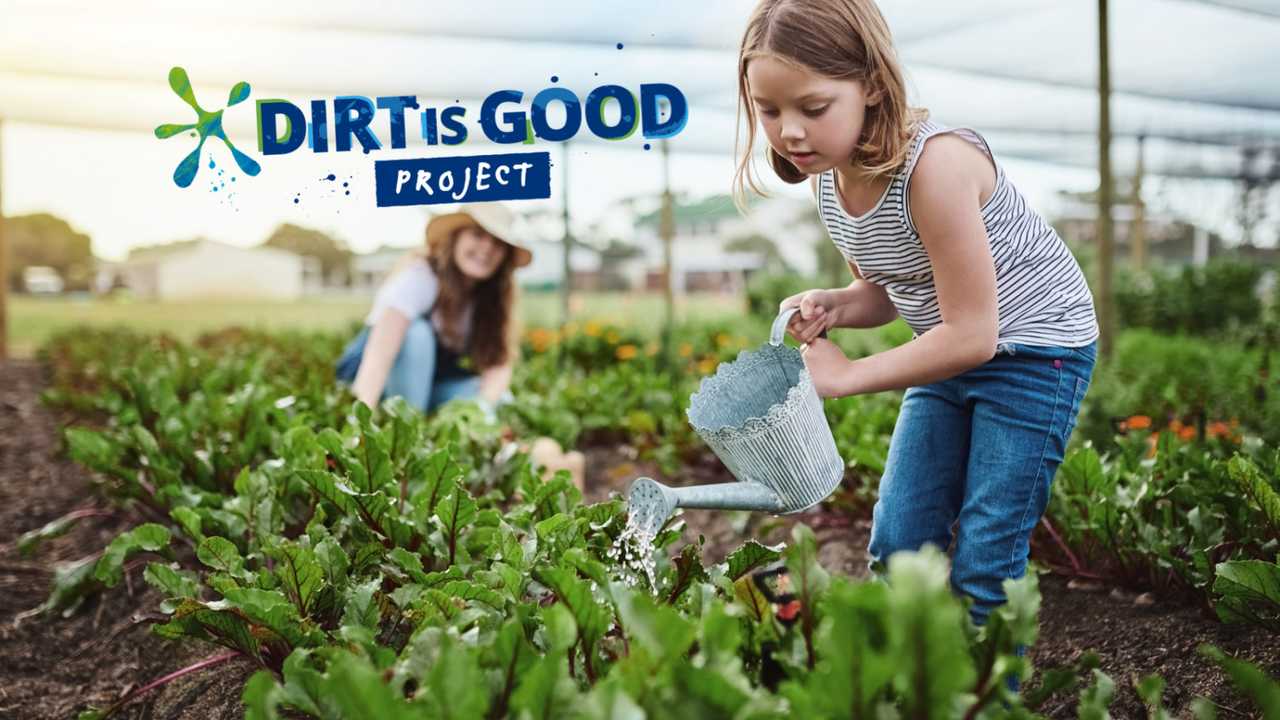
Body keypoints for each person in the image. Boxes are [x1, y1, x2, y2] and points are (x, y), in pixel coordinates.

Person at [732, 0, 1099, 690]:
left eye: (812, 106)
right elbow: (894, 288)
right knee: (900, 544)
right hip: (952, 350)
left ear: (872, 83)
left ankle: (989, 703)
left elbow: (975, 331)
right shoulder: (832, 181)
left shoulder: (938, 167)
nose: (789, 132)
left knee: (986, 560)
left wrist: (846, 377)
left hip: (1036, 357)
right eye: (769, 110)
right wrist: (838, 305)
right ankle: (919, 690)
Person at [335, 202, 531, 419]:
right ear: (456, 237)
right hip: (372, 383)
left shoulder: (492, 297)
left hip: (426, 386)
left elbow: (499, 365)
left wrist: (482, 410)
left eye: (498, 243)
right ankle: (406, 427)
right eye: (477, 235)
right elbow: (377, 360)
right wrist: (359, 421)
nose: (487, 248)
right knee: (417, 334)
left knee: (500, 399)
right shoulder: (421, 276)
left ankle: (427, 421)